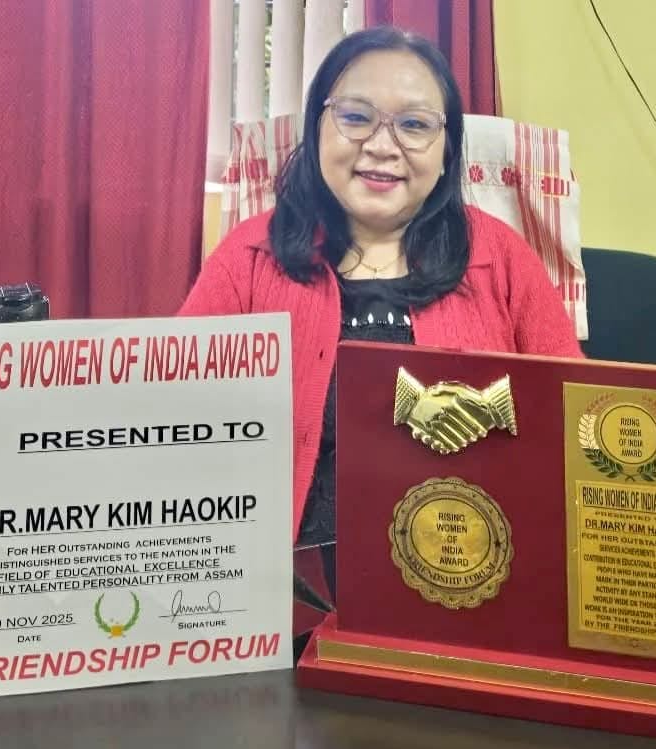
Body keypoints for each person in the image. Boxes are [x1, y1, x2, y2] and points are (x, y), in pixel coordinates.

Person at [179, 27, 583, 615]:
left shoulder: (501, 256)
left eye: (414, 125)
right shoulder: (250, 256)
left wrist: (495, 416)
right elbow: (178, 415)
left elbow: (571, 411)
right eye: (356, 117)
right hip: (285, 591)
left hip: (467, 582)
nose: (382, 145)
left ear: (447, 150)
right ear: (318, 127)